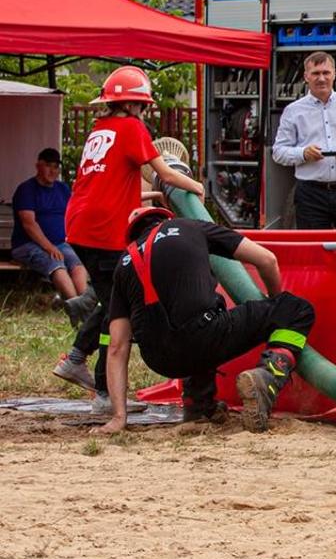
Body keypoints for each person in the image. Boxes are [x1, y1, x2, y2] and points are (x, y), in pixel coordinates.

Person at [94, 207, 316, 435]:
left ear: (133, 236)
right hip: (205, 337)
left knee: (194, 320)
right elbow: (267, 260)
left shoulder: (124, 263)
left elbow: (116, 347)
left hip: (160, 360)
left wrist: (119, 417)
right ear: (167, 218)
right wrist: (276, 305)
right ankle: (268, 377)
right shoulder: (189, 226)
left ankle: (199, 404)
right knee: (298, 310)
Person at [57, 67, 206, 399]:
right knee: (117, 308)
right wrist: (196, 186)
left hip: (79, 224)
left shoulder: (100, 129)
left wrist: (154, 196)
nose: (143, 111)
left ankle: (83, 363)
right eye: (142, 105)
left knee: (113, 299)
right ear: (133, 104)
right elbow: (166, 172)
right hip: (103, 230)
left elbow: (111, 188)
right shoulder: (131, 127)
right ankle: (97, 384)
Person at [271, 53, 336, 230]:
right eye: (315, 73)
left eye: (326, 73)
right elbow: (278, 152)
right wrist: (303, 153)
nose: (321, 78)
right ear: (306, 76)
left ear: (334, 73)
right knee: (315, 245)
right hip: (311, 194)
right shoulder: (293, 111)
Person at [13, 147, 86, 301]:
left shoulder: (62, 189)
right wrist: (49, 247)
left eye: (56, 167)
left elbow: (74, 215)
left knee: (77, 263)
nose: (52, 171)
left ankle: (86, 304)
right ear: (38, 166)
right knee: (55, 262)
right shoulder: (26, 189)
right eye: (48, 166)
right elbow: (29, 224)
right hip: (27, 245)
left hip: (60, 243)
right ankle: (75, 305)